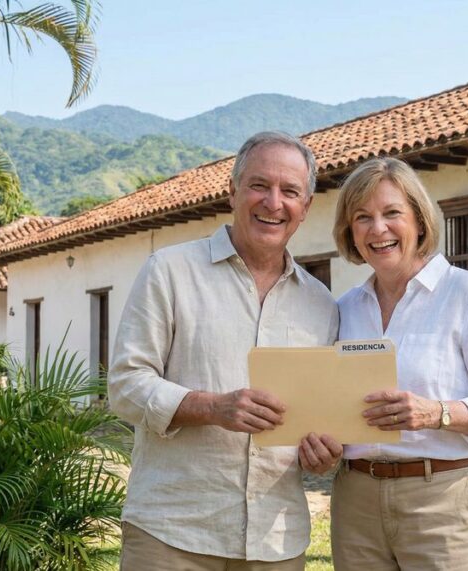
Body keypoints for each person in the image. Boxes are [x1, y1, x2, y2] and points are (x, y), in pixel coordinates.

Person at [109, 131, 340, 570]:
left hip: (276, 541)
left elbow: (319, 417)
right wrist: (211, 407)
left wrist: (324, 452)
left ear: (305, 208)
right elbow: (124, 384)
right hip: (172, 533)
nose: (274, 202)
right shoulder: (170, 272)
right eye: (259, 185)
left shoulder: (321, 303)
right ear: (231, 191)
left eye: (290, 191)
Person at [300, 157, 468, 571]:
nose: (378, 229)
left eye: (392, 213)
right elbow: (334, 408)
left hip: (445, 496)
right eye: (362, 217)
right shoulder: (344, 309)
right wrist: (323, 446)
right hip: (356, 501)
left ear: (420, 222)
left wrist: (436, 413)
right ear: (350, 232)